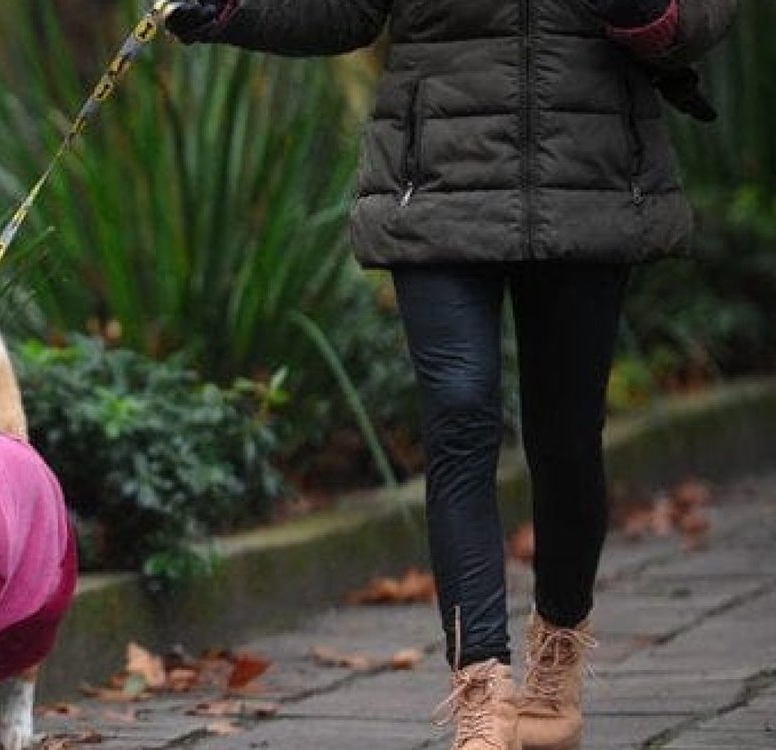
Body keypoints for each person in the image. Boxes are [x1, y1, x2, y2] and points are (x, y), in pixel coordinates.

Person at [162, 1, 736, 748]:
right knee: (460, 415)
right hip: (435, 186)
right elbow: (346, 10)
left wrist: (654, 14)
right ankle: (482, 691)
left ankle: (557, 657)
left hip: (587, 180)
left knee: (566, 441)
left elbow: (706, 15)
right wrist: (230, 9)